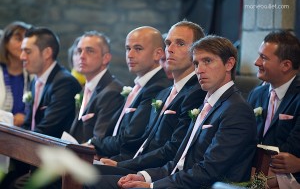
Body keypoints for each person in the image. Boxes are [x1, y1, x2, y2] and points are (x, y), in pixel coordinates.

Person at [85, 35, 257, 189]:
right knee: (82, 175)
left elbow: (208, 171)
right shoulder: (209, 103)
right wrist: (143, 176)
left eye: (208, 61)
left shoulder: (236, 109)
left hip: (199, 186)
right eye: (196, 63)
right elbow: (178, 162)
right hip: (175, 181)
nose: (200, 70)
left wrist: (153, 186)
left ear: (229, 64)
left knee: (87, 181)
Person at [98, 20, 207, 174]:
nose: (170, 49)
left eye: (180, 43)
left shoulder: (196, 92)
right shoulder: (164, 93)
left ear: (197, 51)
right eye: (168, 43)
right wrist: (120, 161)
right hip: (135, 164)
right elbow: (145, 141)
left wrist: (123, 166)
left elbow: (172, 149)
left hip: (156, 173)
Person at [87, 26, 171, 158]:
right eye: (128, 49)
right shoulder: (141, 85)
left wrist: (95, 144)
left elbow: (131, 137)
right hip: (111, 153)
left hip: (126, 159)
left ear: (158, 54)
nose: (130, 55)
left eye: (138, 49)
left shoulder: (158, 87)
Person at [247, 30, 300, 185]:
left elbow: (292, 148)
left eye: (263, 58)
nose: (256, 62)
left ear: (286, 65)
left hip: (288, 175)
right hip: (256, 169)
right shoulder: (256, 94)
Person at [20, 27, 82, 138]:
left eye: (27, 51)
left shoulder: (64, 83)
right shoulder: (35, 80)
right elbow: (28, 123)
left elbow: (48, 130)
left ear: (47, 53)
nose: (22, 57)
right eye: (22, 51)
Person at [69, 31, 125, 143]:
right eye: (79, 51)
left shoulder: (111, 92)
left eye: (89, 51)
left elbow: (99, 140)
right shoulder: (87, 87)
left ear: (106, 58)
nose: (81, 56)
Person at [0, 21, 32, 126]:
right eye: (18, 39)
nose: (23, 44)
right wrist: (11, 119)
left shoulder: (33, 73)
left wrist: (26, 117)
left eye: (26, 39)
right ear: (5, 42)